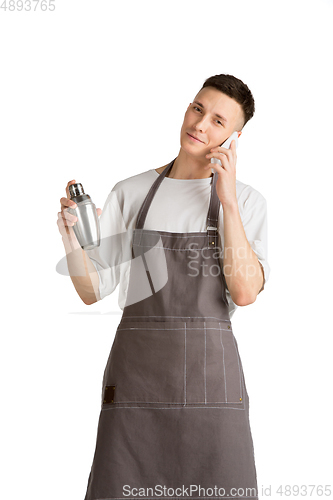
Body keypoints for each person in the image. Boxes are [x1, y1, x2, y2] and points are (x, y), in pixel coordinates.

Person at [57, 74, 270, 500]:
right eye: (197, 108)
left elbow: (245, 293)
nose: (201, 124)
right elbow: (92, 289)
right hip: (137, 388)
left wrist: (225, 199)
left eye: (218, 121)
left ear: (236, 136)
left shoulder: (246, 201)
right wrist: (71, 237)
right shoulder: (131, 192)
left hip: (212, 392)